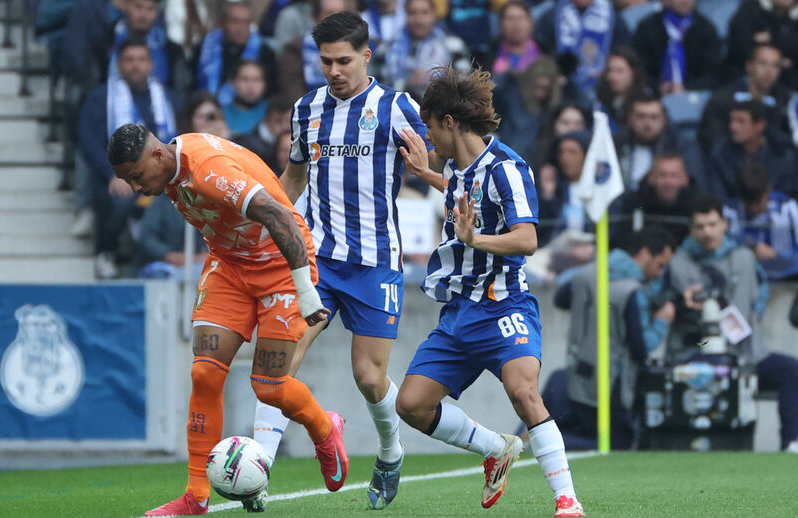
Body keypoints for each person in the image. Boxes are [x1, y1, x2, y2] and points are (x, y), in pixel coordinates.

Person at [107, 124, 348, 515]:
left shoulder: (207, 170)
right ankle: (196, 496)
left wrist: (305, 292)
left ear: (156, 155)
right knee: (204, 374)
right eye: (127, 180)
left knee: (268, 387)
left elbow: (279, 216)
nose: (135, 187)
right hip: (230, 265)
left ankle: (325, 428)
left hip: (280, 266)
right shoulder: (168, 171)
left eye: (135, 176)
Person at [252, 11, 436, 510]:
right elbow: (292, 180)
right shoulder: (306, 108)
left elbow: (435, 165)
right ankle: (258, 471)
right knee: (278, 359)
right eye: (326, 62)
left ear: (366, 56)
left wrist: (429, 172)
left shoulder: (397, 107)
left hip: (376, 261)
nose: (334, 71)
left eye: (344, 61)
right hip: (316, 259)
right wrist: (264, 219)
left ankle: (390, 450)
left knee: (369, 377)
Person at [393, 65, 586, 517]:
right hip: (460, 312)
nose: (427, 136)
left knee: (524, 392)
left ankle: (567, 502)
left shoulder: (507, 169)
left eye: (429, 126)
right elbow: (461, 193)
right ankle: (495, 448)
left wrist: (474, 239)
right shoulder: (458, 169)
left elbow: (527, 239)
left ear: (449, 122)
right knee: (412, 405)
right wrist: (426, 173)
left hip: (505, 306)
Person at [661, 194, 798, 453]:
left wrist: (753, 315)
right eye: (700, 226)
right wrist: (681, 303)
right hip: (696, 351)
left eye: (712, 224)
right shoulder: (677, 262)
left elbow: (762, 289)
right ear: (691, 229)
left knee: (790, 371)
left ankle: (791, 443)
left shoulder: (744, 257)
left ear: (725, 223)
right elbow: (658, 300)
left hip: (745, 354)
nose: (707, 232)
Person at [554, 226, 677, 450]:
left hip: (580, 377)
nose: (660, 273)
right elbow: (641, 348)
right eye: (661, 265)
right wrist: (662, 321)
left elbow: (560, 299)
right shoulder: (631, 291)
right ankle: (543, 444)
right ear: (644, 253)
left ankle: (545, 442)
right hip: (613, 384)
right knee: (616, 446)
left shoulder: (588, 274)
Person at [77, 38, 179, 278]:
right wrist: (112, 173)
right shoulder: (101, 98)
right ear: (119, 65)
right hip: (118, 176)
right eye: (129, 60)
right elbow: (89, 141)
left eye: (142, 59)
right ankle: (106, 251)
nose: (136, 65)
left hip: (163, 175)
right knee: (120, 198)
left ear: (151, 64)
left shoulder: (167, 98)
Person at [699, 43, 795, 153]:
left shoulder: (788, 101)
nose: (769, 71)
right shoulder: (722, 100)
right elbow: (714, 141)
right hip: (731, 164)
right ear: (749, 66)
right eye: (763, 63)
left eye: (775, 65)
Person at [705, 100, 798, 200]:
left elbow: (791, 192)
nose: (733, 127)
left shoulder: (785, 153)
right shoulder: (721, 155)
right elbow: (719, 195)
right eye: (732, 120)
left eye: (740, 121)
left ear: (760, 125)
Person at [533, 0, 632, 93]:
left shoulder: (614, 19)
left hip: (604, 87)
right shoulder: (550, 18)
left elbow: (622, 51)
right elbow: (543, 52)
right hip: (560, 88)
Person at [723, 163, 798, 280]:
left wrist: (777, 255)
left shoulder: (788, 209)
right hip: (744, 279)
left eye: (758, 202)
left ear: (769, 190)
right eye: (748, 204)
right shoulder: (729, 212)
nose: (754, 208)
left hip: (786, 281)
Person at [196, 1, 278, 105]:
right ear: (221, 23)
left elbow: (272, 91)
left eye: (246, 22)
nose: (240, 28)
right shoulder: (205, 49)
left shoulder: (265, 53)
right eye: (235, 21)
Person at [631, 0, 722, 95]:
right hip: (653, 94)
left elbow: (713, 73)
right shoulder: (647, 27)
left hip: (694, 94)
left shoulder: (706, 29)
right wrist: (657, 86)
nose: (684, 1)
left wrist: (687, 87)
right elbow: (639, 68)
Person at [234, 96, 294, 172]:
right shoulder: (246, 144)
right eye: (278, 121)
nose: (285, 126)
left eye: (289, 121)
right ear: (268, 119)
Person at [221, 60, 268, 136]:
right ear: (232, 82)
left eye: (256, 80)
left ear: (264, 83)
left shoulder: (273, 113)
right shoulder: (220, 113)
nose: (251, 85)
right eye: (245, 79)